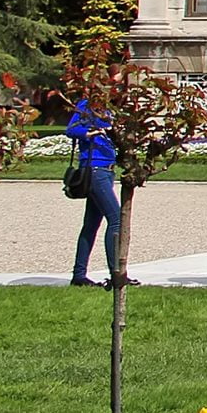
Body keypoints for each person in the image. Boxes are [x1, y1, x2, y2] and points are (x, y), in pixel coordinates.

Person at [68, 96, 121, 288]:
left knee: (91, 224)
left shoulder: (111, 107)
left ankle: (79, 275)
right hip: (95, 169)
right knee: (116, 220)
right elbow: (71, 129)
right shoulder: (87, 104)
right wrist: (90, 132)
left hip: (107, 170)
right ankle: (116, 274)